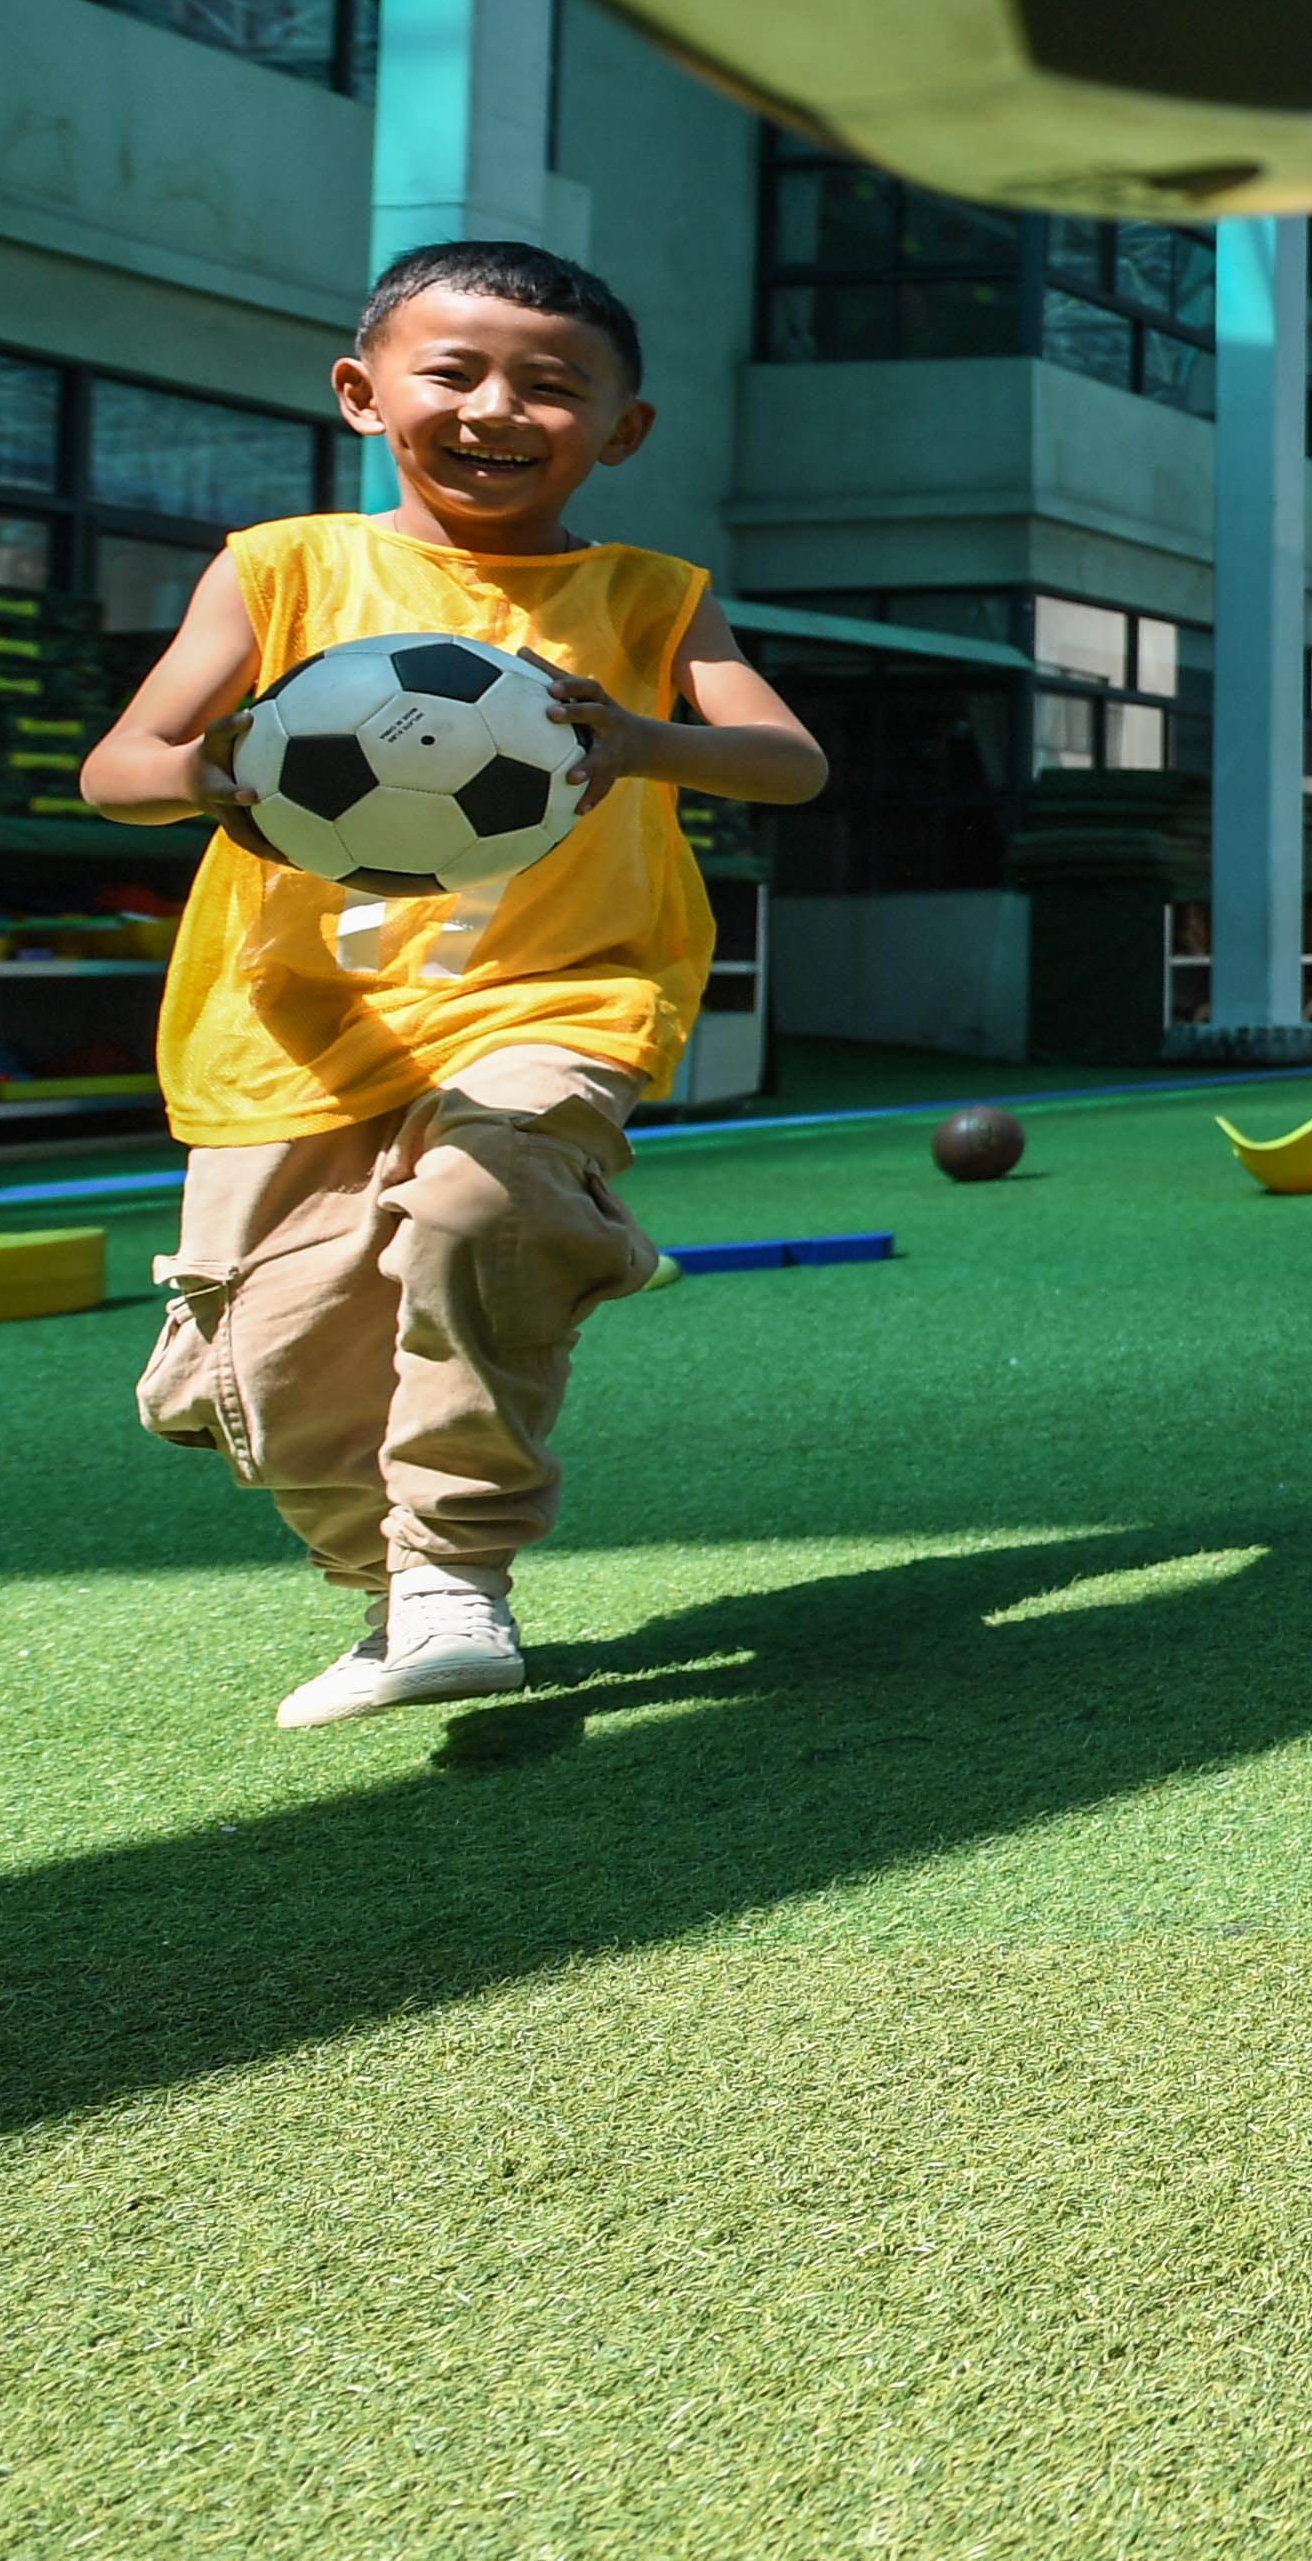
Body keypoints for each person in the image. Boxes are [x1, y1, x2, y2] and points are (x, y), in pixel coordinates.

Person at [85, 242, 828, 1727]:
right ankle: (391, 1587)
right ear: (364, 395)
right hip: (296, 1020)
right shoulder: (279, 565)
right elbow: (120, 768)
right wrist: (206, 771)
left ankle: (454, 1565)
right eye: (456, 371)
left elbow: (790, 760)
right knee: (269, 1371)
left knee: (486, 1197)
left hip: (559, 992)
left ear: (621, 430)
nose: (498, 407)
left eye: (551, 386)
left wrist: (639, 739)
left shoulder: (649, 597)